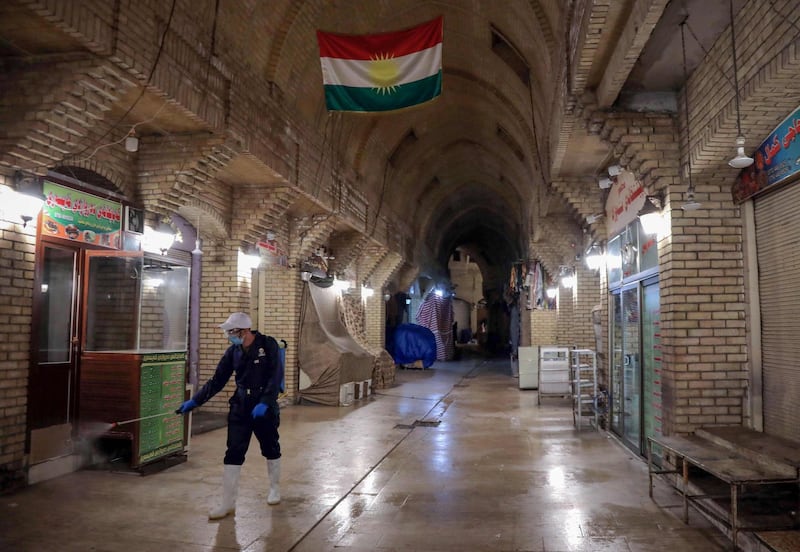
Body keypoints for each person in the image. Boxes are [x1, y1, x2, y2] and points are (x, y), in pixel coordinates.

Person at [176, 312, 282, 519]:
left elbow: (276, 375)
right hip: (241, 405)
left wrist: (265, 402)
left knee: (270, 446)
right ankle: (227, 503)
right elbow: (217, 380)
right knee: (233, 451)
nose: (228, 335)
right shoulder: (233, 352)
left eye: (230, 331)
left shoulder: (268, 345)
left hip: (264, 405)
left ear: (244, 331)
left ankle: (274, 488)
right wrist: (195, 401)